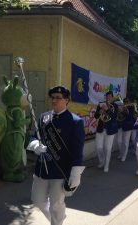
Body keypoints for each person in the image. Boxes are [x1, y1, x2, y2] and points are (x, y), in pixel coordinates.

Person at [27, 86, 85, 225]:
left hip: (60, 170)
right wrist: (35, 145)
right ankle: (58, 218)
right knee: (38, 200)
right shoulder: (43, 117)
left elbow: (78, 149)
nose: (54, 100)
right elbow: (33, 137)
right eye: (52, 97)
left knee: (56, 205)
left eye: (58, 98)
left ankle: (57, 221)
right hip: (42, 168)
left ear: (66, 100)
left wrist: (76, 173)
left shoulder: (75, 121)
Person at [94, 91, 118, 172]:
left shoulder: (115, 106)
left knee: (108, 148)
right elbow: (96, 116)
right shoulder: (101, 104)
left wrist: (108, 110)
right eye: (107, 96)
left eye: (110, 96)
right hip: (100, 128)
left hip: (110, 129)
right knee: (98, 147)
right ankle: (102, 161)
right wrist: (99, 112)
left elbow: (114, 117)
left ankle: (106, 165)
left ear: (112, 97)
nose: (108, 98)